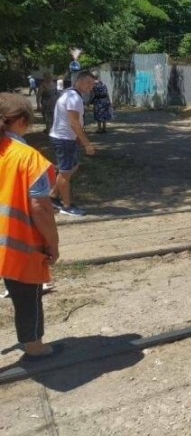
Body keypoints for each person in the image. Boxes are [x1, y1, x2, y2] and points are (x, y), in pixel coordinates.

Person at [0, 93, 61, 361]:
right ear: (22, 121)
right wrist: (53, 243)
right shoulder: (29, 159)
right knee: (27, 294)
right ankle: (33, 344)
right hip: (16, 243)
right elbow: (40, 208)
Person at [49, 70, 97, 216]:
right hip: (63, 139)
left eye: (93, 84)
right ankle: (66, 206)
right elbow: (74, 123)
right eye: (89, 83)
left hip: (65, 137)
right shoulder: (73, 98)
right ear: (79, 81)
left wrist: (77, 138)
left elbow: (73, 122)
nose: (91, 87)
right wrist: (87, 144)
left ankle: (52, 196)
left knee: (73, 166)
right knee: (65, 173)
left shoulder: (71, 93)